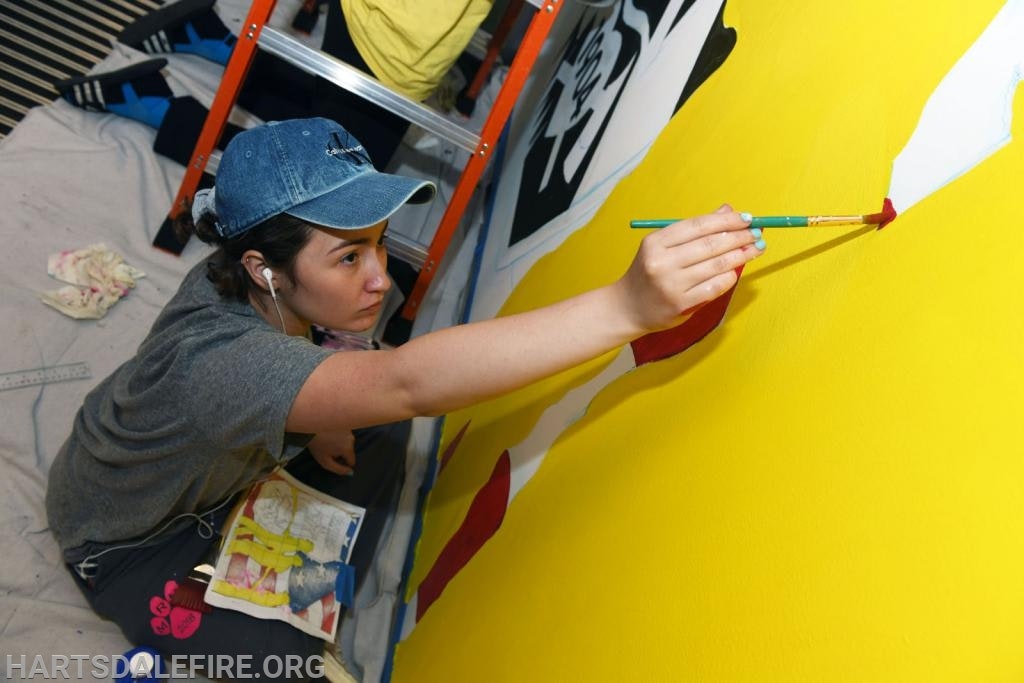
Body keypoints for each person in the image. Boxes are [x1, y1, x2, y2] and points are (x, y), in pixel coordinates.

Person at [45, 117, 765, 680]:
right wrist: (626, 307)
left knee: (378, 441)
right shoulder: (224, 366)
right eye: (348, 257)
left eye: (380, 243)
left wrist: (320, 414)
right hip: (126, 541)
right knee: (286, 658)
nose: (380, 280)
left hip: (199, 470)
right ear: (263, 269)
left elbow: (365, 382)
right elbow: (407, 382)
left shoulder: (244, 274)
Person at [55, 0, 492, 168]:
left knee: (335, 118)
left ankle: (213, 42)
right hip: (403, 36)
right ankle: (155, 105)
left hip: (388, 23)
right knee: (329, 185)